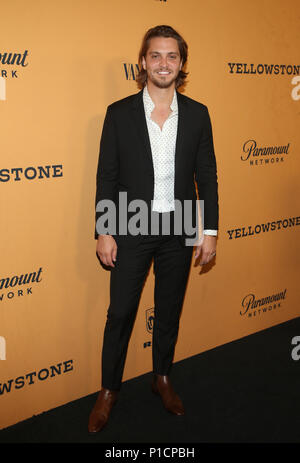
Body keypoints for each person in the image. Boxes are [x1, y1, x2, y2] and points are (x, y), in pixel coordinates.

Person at [88, 25, 219, 433]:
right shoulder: (118, 112)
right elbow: (106, 176)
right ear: (143, 62)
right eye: (156, 56)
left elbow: (207, 177)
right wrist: (105, 230)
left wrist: (209, 230)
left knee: (168, 311)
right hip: (130, 226)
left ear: (181, 64)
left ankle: (161, 377)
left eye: (172, 56)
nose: (164, 63)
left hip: (179, 227)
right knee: (121, 313)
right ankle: (109, 389)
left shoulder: (197, 113)